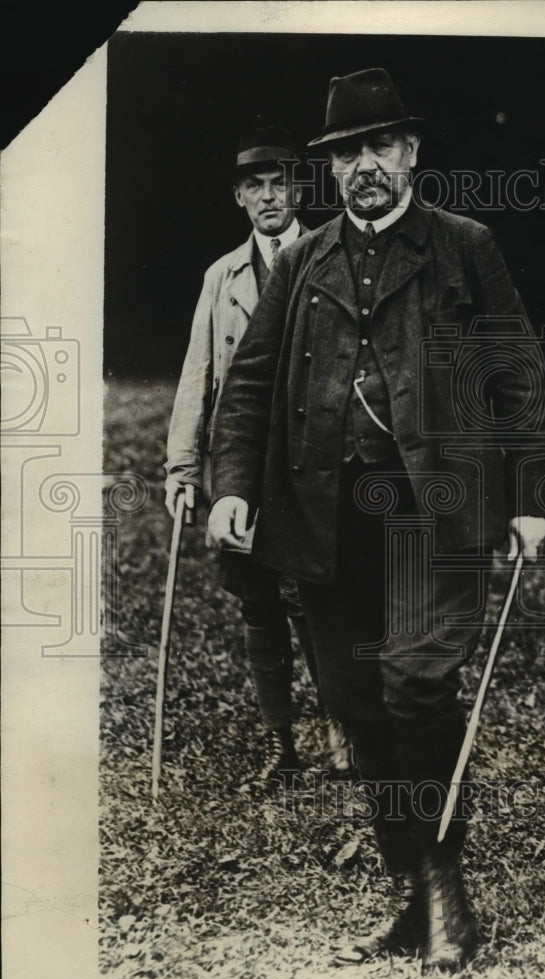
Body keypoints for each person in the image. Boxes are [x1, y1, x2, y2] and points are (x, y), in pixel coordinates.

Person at [208, 69, 545, 971]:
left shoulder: (464, 246)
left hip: (434, 516)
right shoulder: (302, 260)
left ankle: (447, 896)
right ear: (330, 168)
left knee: (416, 688)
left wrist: (532, 495)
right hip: (329, 522)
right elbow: (247, 382)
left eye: (379, 146)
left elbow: (516, 372)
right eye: (346, 152)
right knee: (360, 706)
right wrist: (233, 485)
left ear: (411, 153)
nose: (364, 165)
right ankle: (411, 893)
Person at [164, 125, 350, 784]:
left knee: (319, 600)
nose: (269, 197)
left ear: (298, 188)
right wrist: (183, 468)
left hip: (310, 462)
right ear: (240, 198)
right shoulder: (223, 276)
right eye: (255, 187)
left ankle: (340, 733)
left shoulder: (334, 255)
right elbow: (198, 376)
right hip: (239, 466)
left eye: (280, 183)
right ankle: (281, 745)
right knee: (258, 604)